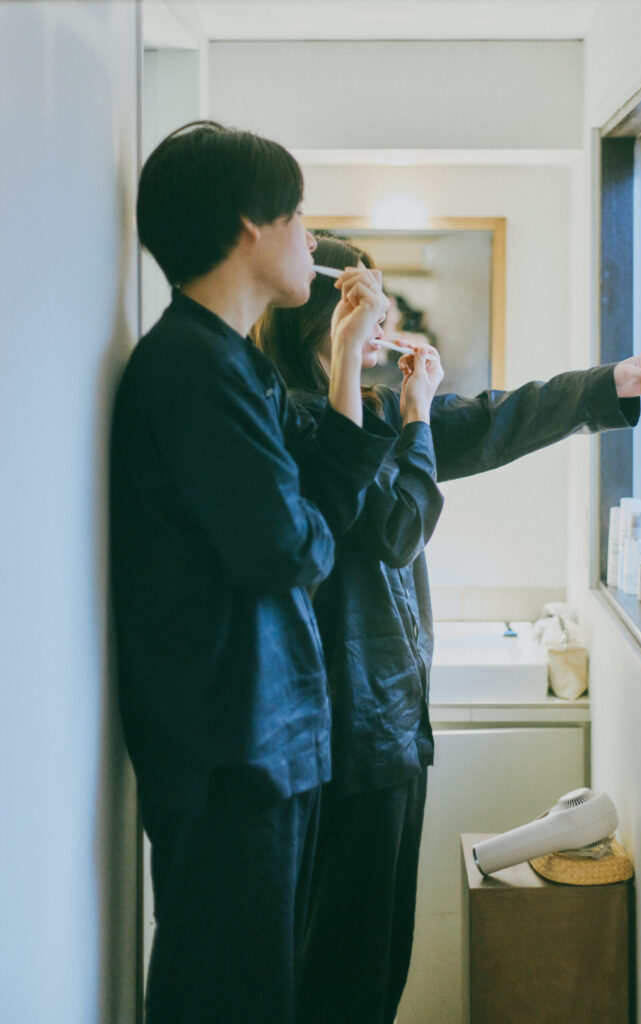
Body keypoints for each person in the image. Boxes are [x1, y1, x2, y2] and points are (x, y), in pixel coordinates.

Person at [255, 233, 641, 1024]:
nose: (386, 324)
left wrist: (608, 384)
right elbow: (395, 530)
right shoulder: (303, 424)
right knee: (347, 964)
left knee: (381, 955)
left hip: (389, 724)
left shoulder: (369, 412)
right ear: (329, 320)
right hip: (349, 732)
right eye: (370, 307)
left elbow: (492, 419)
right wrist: (417, 415)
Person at [110, 123, 396, 1024]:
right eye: (298, 215)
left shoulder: (237, 364)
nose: (311, 237)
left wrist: (346, 361)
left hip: (264, 743)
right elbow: (291, 549)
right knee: (229, 997)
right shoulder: (193, 368)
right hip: (229, 753)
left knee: (265, 993)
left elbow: (322, 503)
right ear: (249, 225)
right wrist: (310, 522)